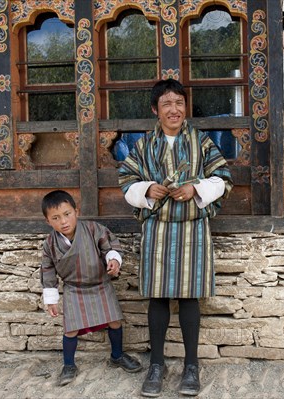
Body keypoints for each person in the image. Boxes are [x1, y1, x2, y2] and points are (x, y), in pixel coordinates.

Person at [118, 79, 233, 397]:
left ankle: (191, 366)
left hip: (192, 229)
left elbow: (222, 177)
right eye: (167, 103)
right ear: (155, 109)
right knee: (157, 296)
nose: (174, 109)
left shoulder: (202, 143)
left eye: (179, 103)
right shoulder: (143, 147)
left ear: (186, 108)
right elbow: (127, 180)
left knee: (188, 296)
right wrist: (146, 190)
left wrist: (196, 189)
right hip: (158, 230)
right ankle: (157, 365)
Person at [40, 190, 142, 386]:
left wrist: (113, 260)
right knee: (70, 330)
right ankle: (69, 365)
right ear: (48, 221)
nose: (63, 221)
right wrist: (51, 299)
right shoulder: (50, 244)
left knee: (114, 322)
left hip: (100, 284)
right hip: (74, 289)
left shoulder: (94, 229)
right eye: (56, 218)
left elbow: (110, 247)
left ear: (76, 211)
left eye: (67, 214)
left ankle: (117, 356)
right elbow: (47, 270)